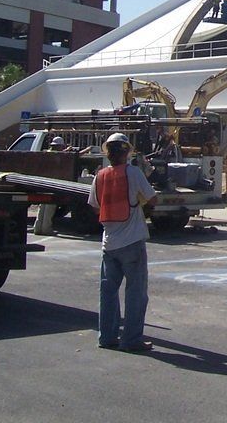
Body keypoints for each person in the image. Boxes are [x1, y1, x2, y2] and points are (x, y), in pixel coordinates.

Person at [88, 132, 157, 352]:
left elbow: (94, 205)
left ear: (107, 152)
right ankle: (131, 340)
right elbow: (152, 198)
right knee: (136, 293)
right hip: (132, 241)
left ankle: (106, 337)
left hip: (109, 242)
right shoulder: (133, 172)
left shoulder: (100, 176)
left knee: (108, 293)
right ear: (126, 151)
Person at [33, 135, 72, 235]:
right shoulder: (57, 154)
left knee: (42, 206)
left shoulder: (46, 153)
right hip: (52, 183)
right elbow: (64, 156)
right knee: (49, 207)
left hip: (43, 182)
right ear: (59, 146)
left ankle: (37, 227)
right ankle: (46, 228)